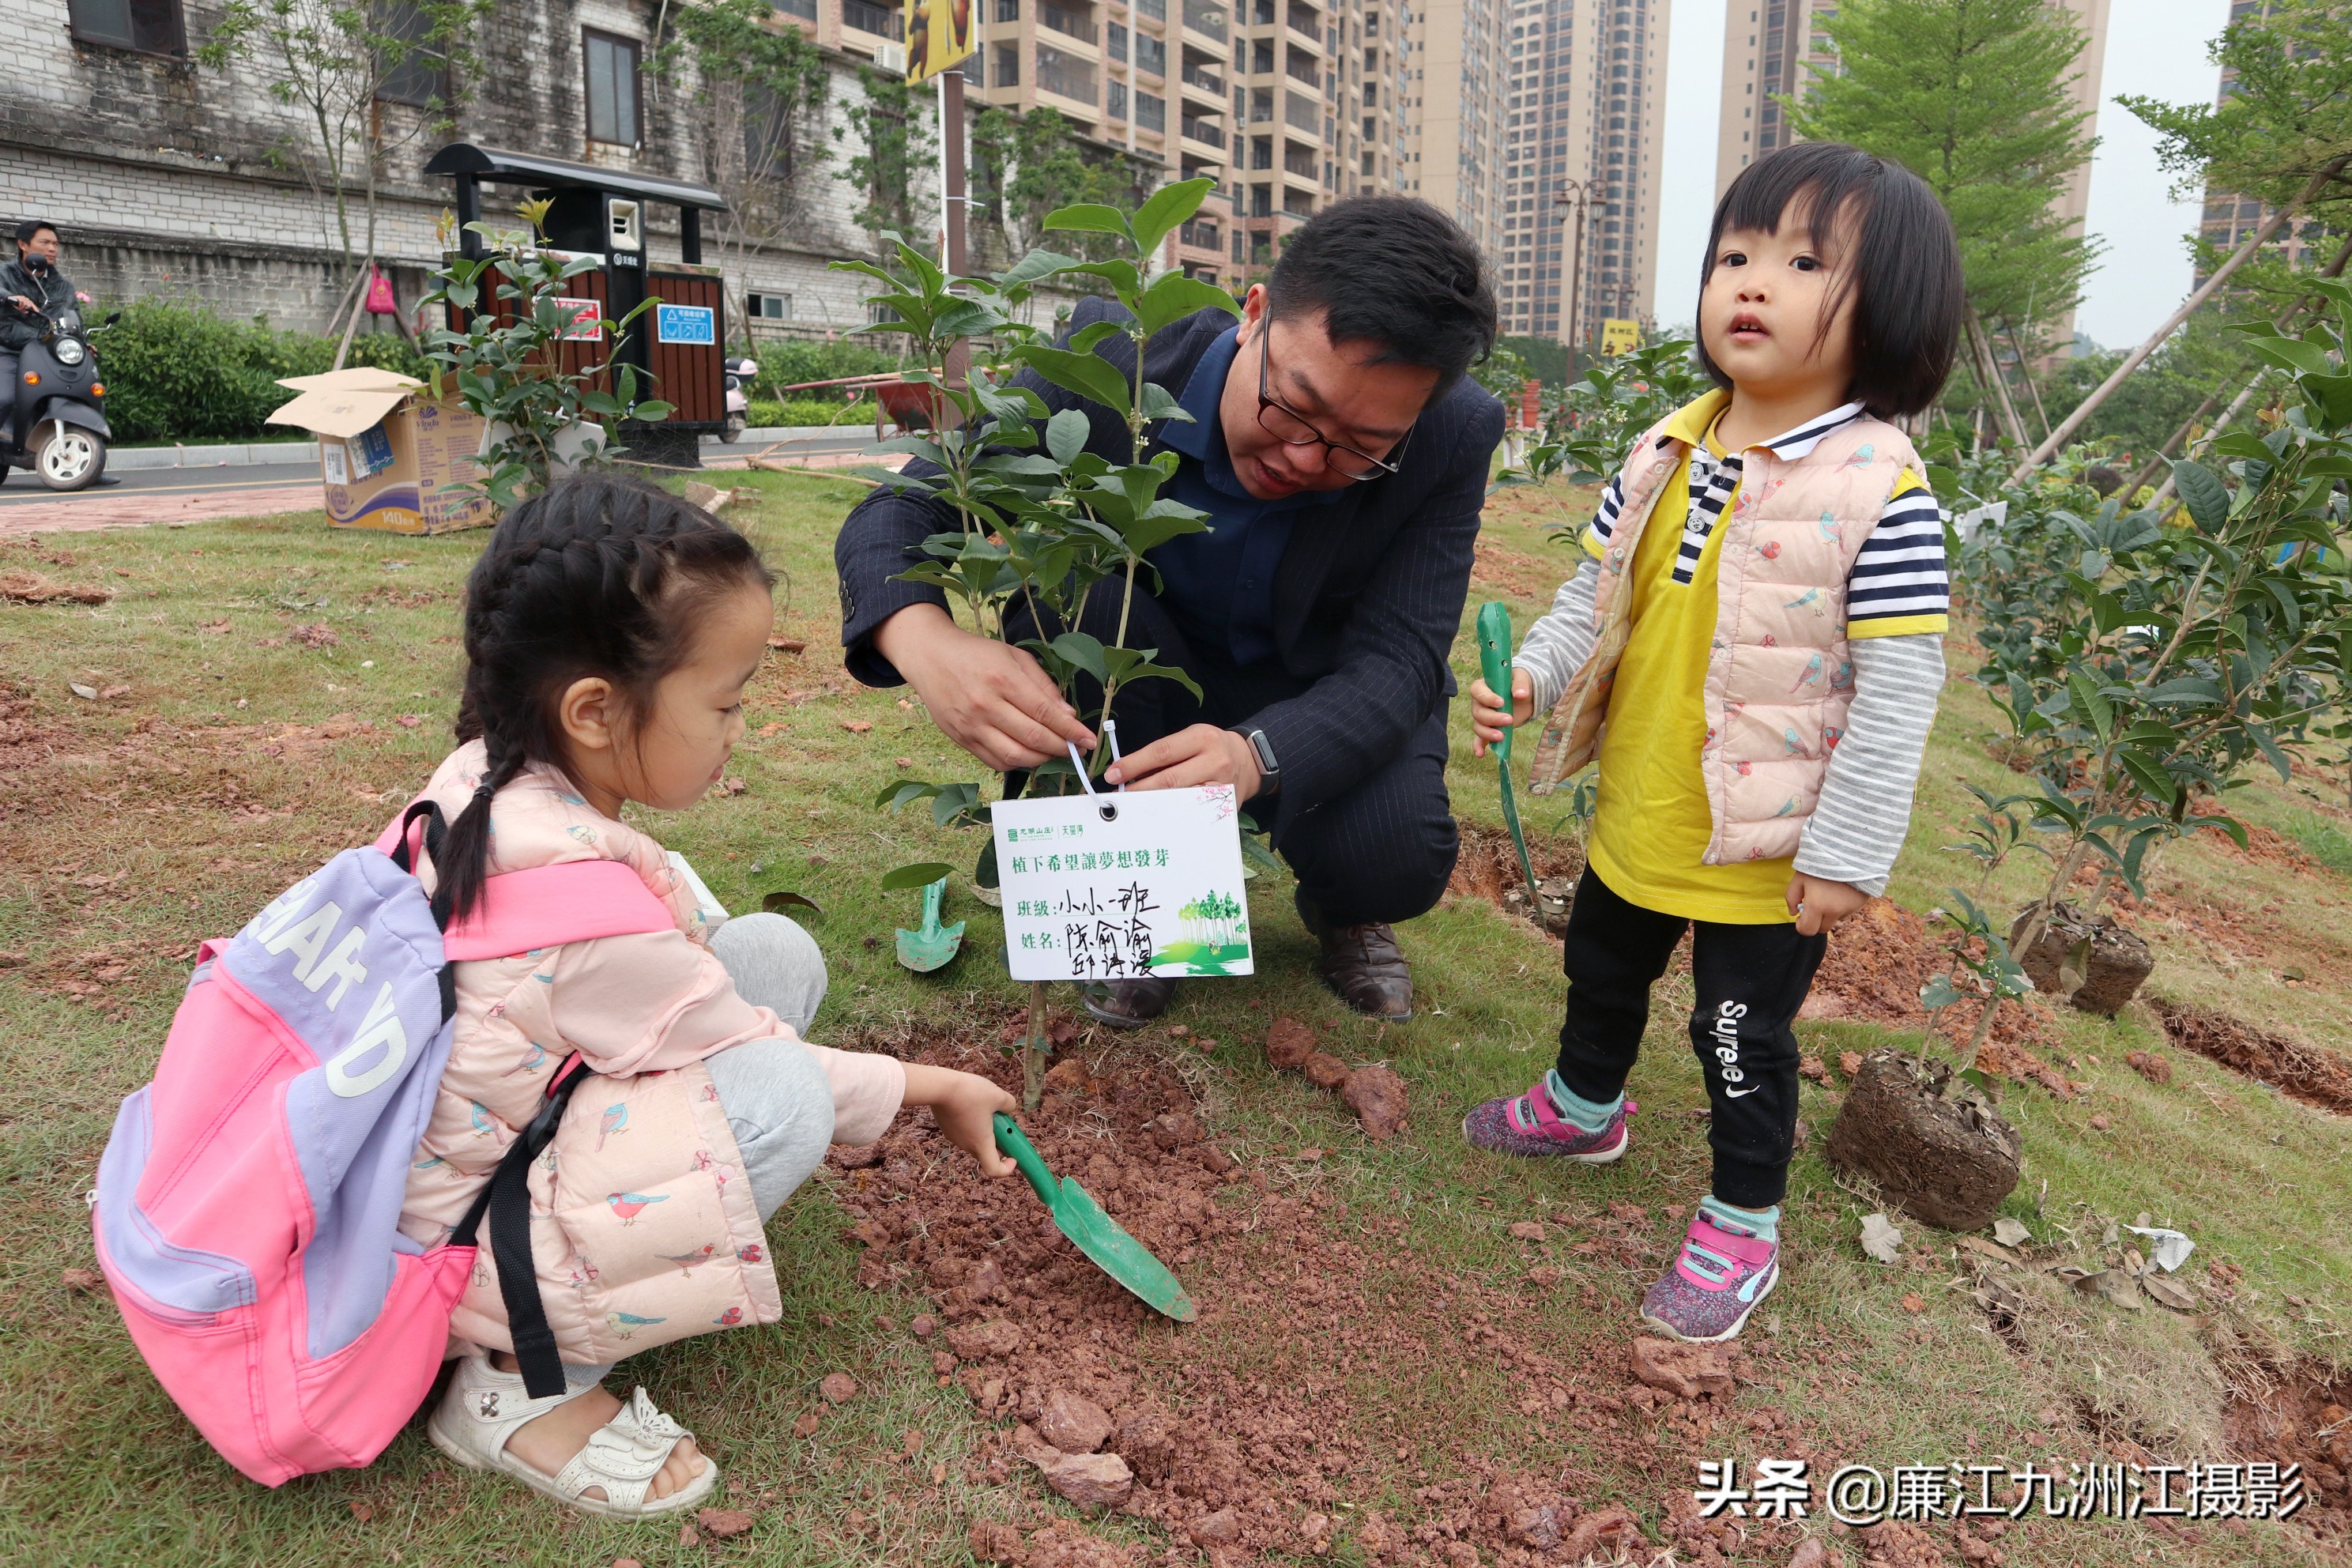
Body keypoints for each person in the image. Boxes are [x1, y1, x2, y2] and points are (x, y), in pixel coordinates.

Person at [402, 475, 1017, 1517]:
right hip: (457, 1249)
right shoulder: (574, 899)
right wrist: (937, 1085)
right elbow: (762, 1059)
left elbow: (683, 981)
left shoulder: (486, 778)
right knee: (786, 1098)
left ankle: (559, 1292)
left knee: (773, 955)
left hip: (475, 1140)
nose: (738, 727)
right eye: (726, 702)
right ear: (595, 711)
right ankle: (514, 1383)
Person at [1461, 142, 1963, 1344]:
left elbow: (1901, 687)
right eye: (1734, 255)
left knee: (1738, 1033)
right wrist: (1532, 673)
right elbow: (1593, 596)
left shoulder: (1879, 492)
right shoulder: (1665, 446)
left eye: (1802, 262)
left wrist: (1850, 852)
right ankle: (1586, 1105)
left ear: (1890, 305)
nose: (1753, 282)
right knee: (1601, 964)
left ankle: (1744, 1219)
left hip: (1765, 846)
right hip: (1644, 805)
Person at [835, 197, 1502, 1024]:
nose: (1304, 456)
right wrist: (924, 639)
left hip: (1309, 699)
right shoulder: (1110, 364)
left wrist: (1258, 753)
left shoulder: (1454, 433)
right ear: (1253, 315)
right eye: (1292, 406)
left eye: (1361, 446)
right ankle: (1135, 913)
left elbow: (1402, 656)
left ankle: (1340, 907)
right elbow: (903, 508)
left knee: (1396, 855)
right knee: (1076, 596)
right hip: (1145, 680)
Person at [0, 219, 75, 450]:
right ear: (23, 244)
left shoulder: (62, 286)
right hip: (10, 349)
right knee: (6, 398)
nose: (52, 248)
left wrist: (83, 342)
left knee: (84, 395)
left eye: (55, 243)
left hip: (48, 351)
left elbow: (72, 318)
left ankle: (89, 462)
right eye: (45, 242)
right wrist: (10, 297)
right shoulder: (5, 273)